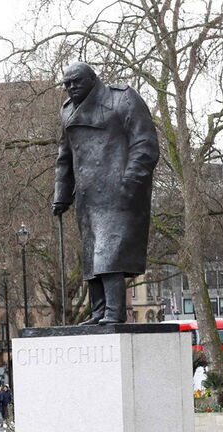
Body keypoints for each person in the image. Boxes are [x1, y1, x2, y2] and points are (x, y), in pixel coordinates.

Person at [53, 61, 159, 325]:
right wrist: (61, 194)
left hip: (118, 191)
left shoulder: (122, 98)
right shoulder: (67, 112)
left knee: (108, 253)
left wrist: (131, 180)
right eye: (66, 84)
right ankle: (99, 311)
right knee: (91, 256)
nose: (71, 88)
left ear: (92, 79)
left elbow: (145, 143)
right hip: (87, 196)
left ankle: (114, 312)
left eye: (76, 82)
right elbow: (65, 157)